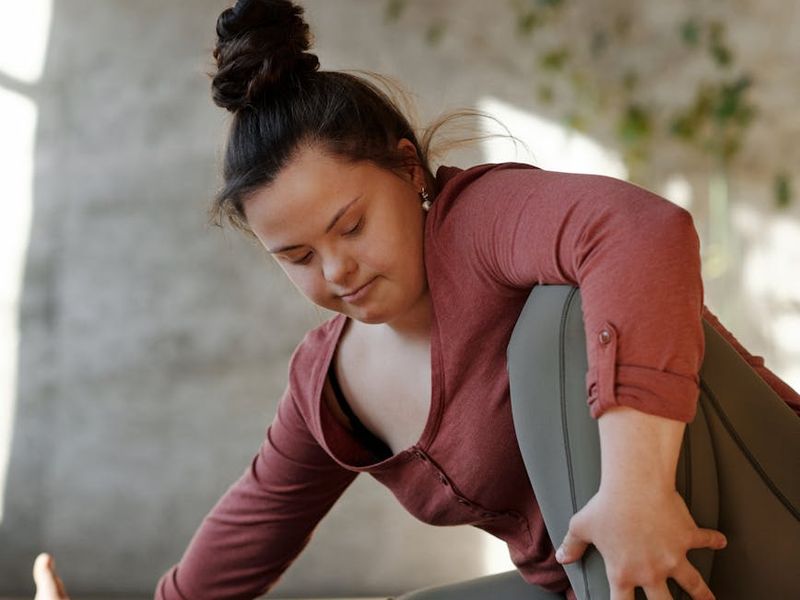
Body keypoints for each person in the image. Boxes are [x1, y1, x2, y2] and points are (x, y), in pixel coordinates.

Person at [32, 1, 800, 599]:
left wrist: (634, 489)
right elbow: (252, 525)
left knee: (553, 327)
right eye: (297, 257)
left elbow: (641, 231)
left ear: (408, 170)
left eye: (351, 226)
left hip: (757, 512)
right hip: (592, 577)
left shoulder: (479, 223)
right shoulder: (330, 384)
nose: (336, 270)